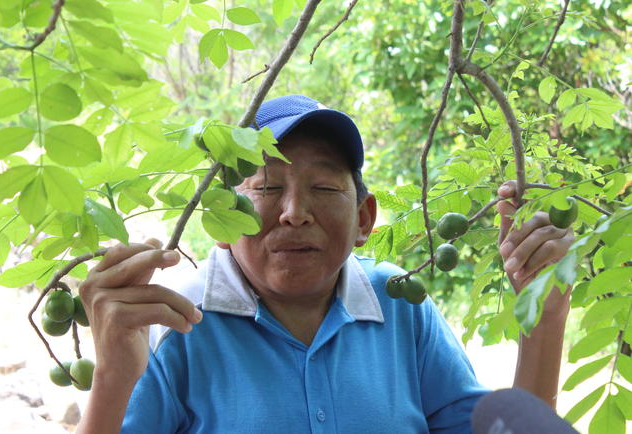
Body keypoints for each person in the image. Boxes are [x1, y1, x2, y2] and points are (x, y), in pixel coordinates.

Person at [76, 95, 574, 433]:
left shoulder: (401, 307)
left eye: (325, 188)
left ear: (364, 218)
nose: (294, 213)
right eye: (268, 187)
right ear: (221, 220)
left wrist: (544, 320)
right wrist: (114, 377)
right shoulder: (174, 326)